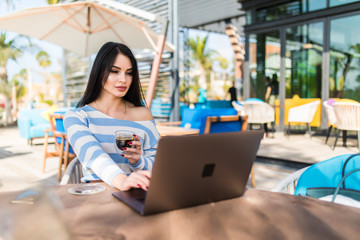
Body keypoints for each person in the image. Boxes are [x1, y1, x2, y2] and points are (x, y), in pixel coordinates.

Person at [63, 42, 160, 192]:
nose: (123, 79)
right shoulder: (77, 117)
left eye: (129, 73)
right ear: (99, 72)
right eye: (115, 71)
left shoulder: (143, 115)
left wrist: (138, 162)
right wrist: (123, 181)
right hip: (99, 200)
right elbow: (94, 156)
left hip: (139, 196)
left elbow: (160, 164)